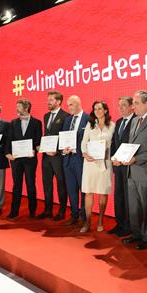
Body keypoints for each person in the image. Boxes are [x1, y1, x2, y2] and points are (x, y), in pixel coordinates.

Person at [120, 90, 147, 250]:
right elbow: (131, 145)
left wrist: (136, 159)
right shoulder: (134, 121)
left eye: (136, 103)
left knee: (146, 207)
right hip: (131, 170)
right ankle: (136, 234)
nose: (133, 107)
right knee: (134, 207)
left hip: (145, 172)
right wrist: (122, 156)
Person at [79, 101, 115, 232]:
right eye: (95, 109)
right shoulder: (90, 125)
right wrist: (84, 153)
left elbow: (114, 144)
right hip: (90, 163)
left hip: (105, 164)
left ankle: (100, 220)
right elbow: (84, 142)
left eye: (100, 108)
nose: (97, 111)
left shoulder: (112, 125)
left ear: (105, 110)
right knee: (88, 192)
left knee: (102, 192)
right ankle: (88, 222)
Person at [5, 99, 42, 219]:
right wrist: (7, 153)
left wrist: (35, 150)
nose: (16, 109)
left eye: (19, 107)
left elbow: (38, 140)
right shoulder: (13, 122)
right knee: (17, 185)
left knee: (31, 184)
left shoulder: (37, 122)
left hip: (30, 159)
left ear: (26, 108)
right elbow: (9, 140)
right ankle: (14, 211)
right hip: (16, 159)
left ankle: (32, 211)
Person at [38, 90, 69, 220]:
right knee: (47, 183)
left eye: (51, 100)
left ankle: (62, 211)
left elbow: (66, 137)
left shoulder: (65, 116)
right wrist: (42, 146)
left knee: (61, 183)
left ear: (58, 101)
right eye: (48, 100)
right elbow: (47, 135)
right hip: (46, 156)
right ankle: (48, 210)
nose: (48, 102)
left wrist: (56, 149)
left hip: (58, 156)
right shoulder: (46, 116)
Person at [109, 96, 135, 237]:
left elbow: (136, 144)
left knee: (128, 197)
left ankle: (129, 226)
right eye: (119, 105)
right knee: (118, 196)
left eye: (124, 105)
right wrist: (113, 158)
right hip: (118, 165)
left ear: (132, 106)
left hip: (129, 165)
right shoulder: (118, 122)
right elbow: (114, 143)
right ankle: (119, 224)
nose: (120, 108)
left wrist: (125, 159)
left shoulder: (136, 121)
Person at [62, 95, 89, 223]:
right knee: (71, 189)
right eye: (68, 105)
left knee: (83, 189)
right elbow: (63, 139)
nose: (69, 108)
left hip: (81, 160)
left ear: (78, 104)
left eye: (71, 105)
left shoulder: (88, 119)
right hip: (68, 159)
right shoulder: (67, 120)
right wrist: (63, 149)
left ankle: (84, 216)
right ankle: (74, 215)